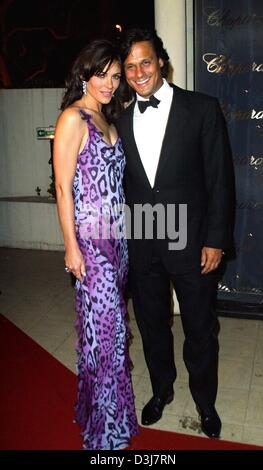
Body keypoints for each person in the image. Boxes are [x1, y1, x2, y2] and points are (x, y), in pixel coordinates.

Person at [116, 27, 235, 439]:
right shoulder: (119, 118)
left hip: (192, 240)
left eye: (145, 62)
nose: (138, 72)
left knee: (200, 327)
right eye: (129, 66)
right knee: (151, 325)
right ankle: (161, 389)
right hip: (144, 242)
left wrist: (216, 239)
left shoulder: (201, 108)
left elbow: (220, 180)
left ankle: (205, 401)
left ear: (161, 62)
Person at [53, 38, 139, 450]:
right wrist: (71, 247)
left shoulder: (109, 119)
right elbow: (63, 188)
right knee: (109, 333)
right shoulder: (73, 118)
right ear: (84, 73)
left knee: (106, 329)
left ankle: (100, 410)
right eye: (101, 74)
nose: (109, 83)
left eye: (115, 76)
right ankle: (107, 432)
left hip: (117, 241)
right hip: (91, 243)